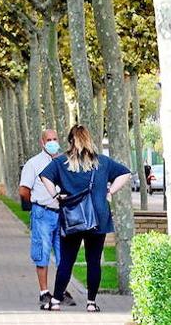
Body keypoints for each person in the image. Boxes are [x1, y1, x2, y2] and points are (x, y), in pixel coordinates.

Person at [39, 125, 131, 313]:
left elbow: (44, 177)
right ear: (89, 139)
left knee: (67, 260)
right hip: (98, 218)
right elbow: (126, 173)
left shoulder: (61, 162)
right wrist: (109, 191)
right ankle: (91, 303)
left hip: (72, 217)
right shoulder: (102, 162)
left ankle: (55, 301)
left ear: (71, 141)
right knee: (93, 261)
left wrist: (55, 196)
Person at [20, 129, 74, 310]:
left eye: (55, 139)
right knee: (42, 253)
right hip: (42, 213)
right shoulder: (33, 164)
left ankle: (61, 291)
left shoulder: (65, 162)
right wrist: (37, 204)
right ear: (42, 143)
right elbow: (24, 190)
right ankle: (44, 292)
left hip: (63, 215)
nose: (52, 142)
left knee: (64, 255)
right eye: (48, 140)